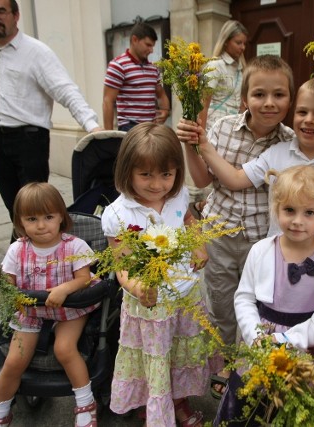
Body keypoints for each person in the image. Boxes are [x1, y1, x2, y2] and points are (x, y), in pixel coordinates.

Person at [175, 54, 296, 399]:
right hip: (220, 233)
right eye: (259, 94)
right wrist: (191, 144)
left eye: (279, 95)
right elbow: (202, 179)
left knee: (259, 306)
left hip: (263, 239)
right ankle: (226, 362)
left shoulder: (290, 142)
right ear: (245, 98)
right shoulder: (223, 128)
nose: (269, 103)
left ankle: (251, 364)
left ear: (290, 98)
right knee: (222, 303)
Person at [101, 123, 216, 427]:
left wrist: (199, 246)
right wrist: (137, 286)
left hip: (184, 293)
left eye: (167, 174)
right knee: (155, 358)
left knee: (179, 354)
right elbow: (121, 264)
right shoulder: (117, 214)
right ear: (127, 171)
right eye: (146, 175)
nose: (157, 184)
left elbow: (189, 219)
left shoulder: (177, 197)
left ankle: (179, 401)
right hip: (149, 304)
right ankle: (153, 407)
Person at [214, 165, 314, 425]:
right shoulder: (261, 250)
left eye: (309, 212)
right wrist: (256, 336)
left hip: (305, 348)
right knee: (250, 404)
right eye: (289, 210)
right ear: (277, 209)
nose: (298, 220)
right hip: (261, 342)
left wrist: (288, 340)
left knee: (294, 410)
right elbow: (244, 298)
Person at [181, 78, 314, 267]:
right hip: (276, 261)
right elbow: (235, 179)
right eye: (302, 112)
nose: (309, 119)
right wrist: (203, 145)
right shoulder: (277, 152)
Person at [0, 0, 102, 224]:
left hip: (29, 139)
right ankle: (23, 249)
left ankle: (31, 249)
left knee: (32, 205)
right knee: (12, 204)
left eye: (0, 11)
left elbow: (65, 90)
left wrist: (92, 126)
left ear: (16, 15)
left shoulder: (36, 52)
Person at [0, 182, 99, 427]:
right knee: (15, 360)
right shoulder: (17, 250)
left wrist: (64, 289)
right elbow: (9, 283)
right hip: (30, 311)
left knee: (64, 348)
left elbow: (83, 279)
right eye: (32, 218)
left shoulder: (74, 246)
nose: (41, 225)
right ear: (20, 222)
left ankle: (85, 402)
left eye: (48, 217)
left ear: (61, 216)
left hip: (69, 309)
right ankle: (0, 410)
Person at [103, 22, 171, 131]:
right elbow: (108, 101)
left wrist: (166, 111)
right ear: (135, 40)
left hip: (150, 128)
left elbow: (161, 94)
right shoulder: (118, 65)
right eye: (148, 45)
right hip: (129, 128)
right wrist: (109, 137)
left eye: (152, 46)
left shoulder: (153, 68)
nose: (151, 50)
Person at [198, 20, 248, 132]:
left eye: (244, 43)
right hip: (214, 127)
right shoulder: (215, 66)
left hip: (234, 128)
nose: (243, 47)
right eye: (238, 43)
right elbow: (203, 104)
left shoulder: (242, 69)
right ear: (226, 41)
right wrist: (201, 134)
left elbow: (242, 107)